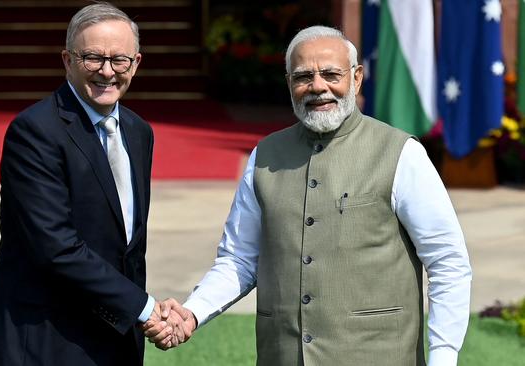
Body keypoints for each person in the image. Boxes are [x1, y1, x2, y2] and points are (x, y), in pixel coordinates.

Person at [144, 25, 472, 366]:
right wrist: (192, 313)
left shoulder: (401, 153)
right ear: (289, 84)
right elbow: (239, 259)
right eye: (303, 77)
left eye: (331, 74)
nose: (317, 86)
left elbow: (448, 262)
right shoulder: (265, 155)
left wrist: (444, 356)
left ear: (356, 78)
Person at [0, 3, 183, 365]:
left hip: (114, 338)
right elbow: (56, 247)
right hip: (44, 339)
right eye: (93, 58)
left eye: (120, 60)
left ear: (137, 63)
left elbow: (127, 248)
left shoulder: (138, 132)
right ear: (67, 60)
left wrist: (136, 314)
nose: (107, 71)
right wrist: (145, 308)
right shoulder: (35, 131)